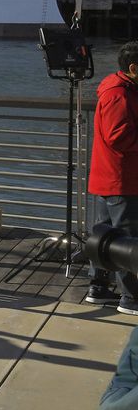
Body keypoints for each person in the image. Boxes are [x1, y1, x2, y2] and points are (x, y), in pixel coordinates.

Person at [85, 41, 138, 315]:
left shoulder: (118, 88)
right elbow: (119, 137)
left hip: (109, 175)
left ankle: (98, 286)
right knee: (128, 238)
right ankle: (131, 298)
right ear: (133, 68)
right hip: (122, 177)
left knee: (104, 234)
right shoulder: (119, 95)